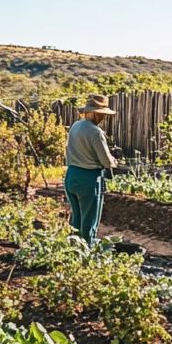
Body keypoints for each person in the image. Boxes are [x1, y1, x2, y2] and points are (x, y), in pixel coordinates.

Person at [64, 94, 118, 245]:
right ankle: (86, 257)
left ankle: (72, 250)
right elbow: (105, 161)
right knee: (89, 222)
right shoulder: (96, 132)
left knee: (76, 220)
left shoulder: (75, 126)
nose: (103, 118)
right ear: (94, 113)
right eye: (101, 114)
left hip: (71, 176)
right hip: (89, 179)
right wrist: (114, 161)